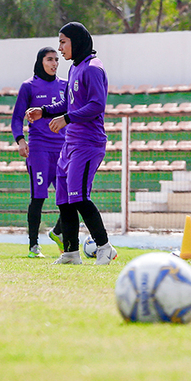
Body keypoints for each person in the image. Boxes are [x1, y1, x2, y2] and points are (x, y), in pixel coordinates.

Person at [26, 22, 117, 265]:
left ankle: (104, 246)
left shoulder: (93, 69)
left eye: (63, 42)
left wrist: (66, 119)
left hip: (88, 144)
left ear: (76, 41)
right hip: (70, 143)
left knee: (78, 197)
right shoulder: (76, 69)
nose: (60, 47)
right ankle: (70, 253)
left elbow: (97, 105)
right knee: (64, 199)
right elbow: (69, 103)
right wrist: (43, 111)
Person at [11, 47, 67, 258]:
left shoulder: (65, 86)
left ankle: (59, 233)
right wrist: (20, 140)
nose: (54, 63)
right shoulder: (29, 86)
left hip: (63, 150)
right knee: (39, 197)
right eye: (49, 59)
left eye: (56, 60)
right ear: (40, 62)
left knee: (72, 198)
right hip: (39, 150)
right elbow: (17, 118)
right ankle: (34, 246)